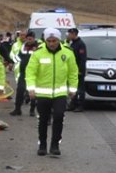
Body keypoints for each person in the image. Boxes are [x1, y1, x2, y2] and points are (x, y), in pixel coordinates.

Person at [27, 27, 78, 157]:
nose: (51, 43)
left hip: (60, 93)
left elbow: (73, 72)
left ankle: (55, 145)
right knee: (43, 120)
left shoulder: (67, 53)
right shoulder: (38, 53)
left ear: (58, 40)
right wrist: (31, 88)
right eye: (49, 40)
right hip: (42, 93)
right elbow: (31, 72)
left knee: (59, 117)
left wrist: (73, 89)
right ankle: (42, 145)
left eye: (54, 40)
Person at [9, 30, 39, 116]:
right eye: (28, 38)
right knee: (20, 91)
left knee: (33, 92)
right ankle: (17, 109)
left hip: (34, 74)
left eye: (31, 38)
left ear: (34, 38)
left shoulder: (38, 47)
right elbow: (18, 57)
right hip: (23, 73)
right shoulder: (23, 47)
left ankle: (32, 110)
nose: (29, 40)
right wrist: (10, 62)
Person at [65, 27, 88, 111]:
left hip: (78, 70)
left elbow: (82, 59)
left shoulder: (80, 44)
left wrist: (80, 70)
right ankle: (73, 104)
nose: (68, 35)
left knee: (80, 89)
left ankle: (80, 105)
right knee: (73, 88)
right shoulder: (72, 43)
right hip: (72, 70)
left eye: (70, 34)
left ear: (74, 34)